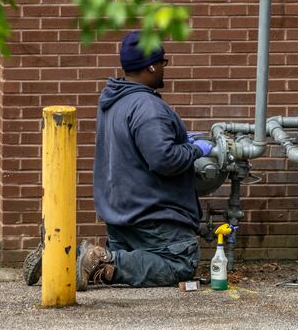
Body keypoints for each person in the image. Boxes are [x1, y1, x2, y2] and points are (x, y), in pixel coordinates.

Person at [23, 31, 213, 290]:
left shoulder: (113, 101)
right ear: (151, 66)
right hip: (154, 215)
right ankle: (99, 260)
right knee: (181, 264)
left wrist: (179, 140)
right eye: (163, 63)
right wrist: (195, 150)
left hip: (121, 214)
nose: (164, 69)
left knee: (133, 259)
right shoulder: (148, 107)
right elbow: (164, 160)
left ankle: (61, 257)